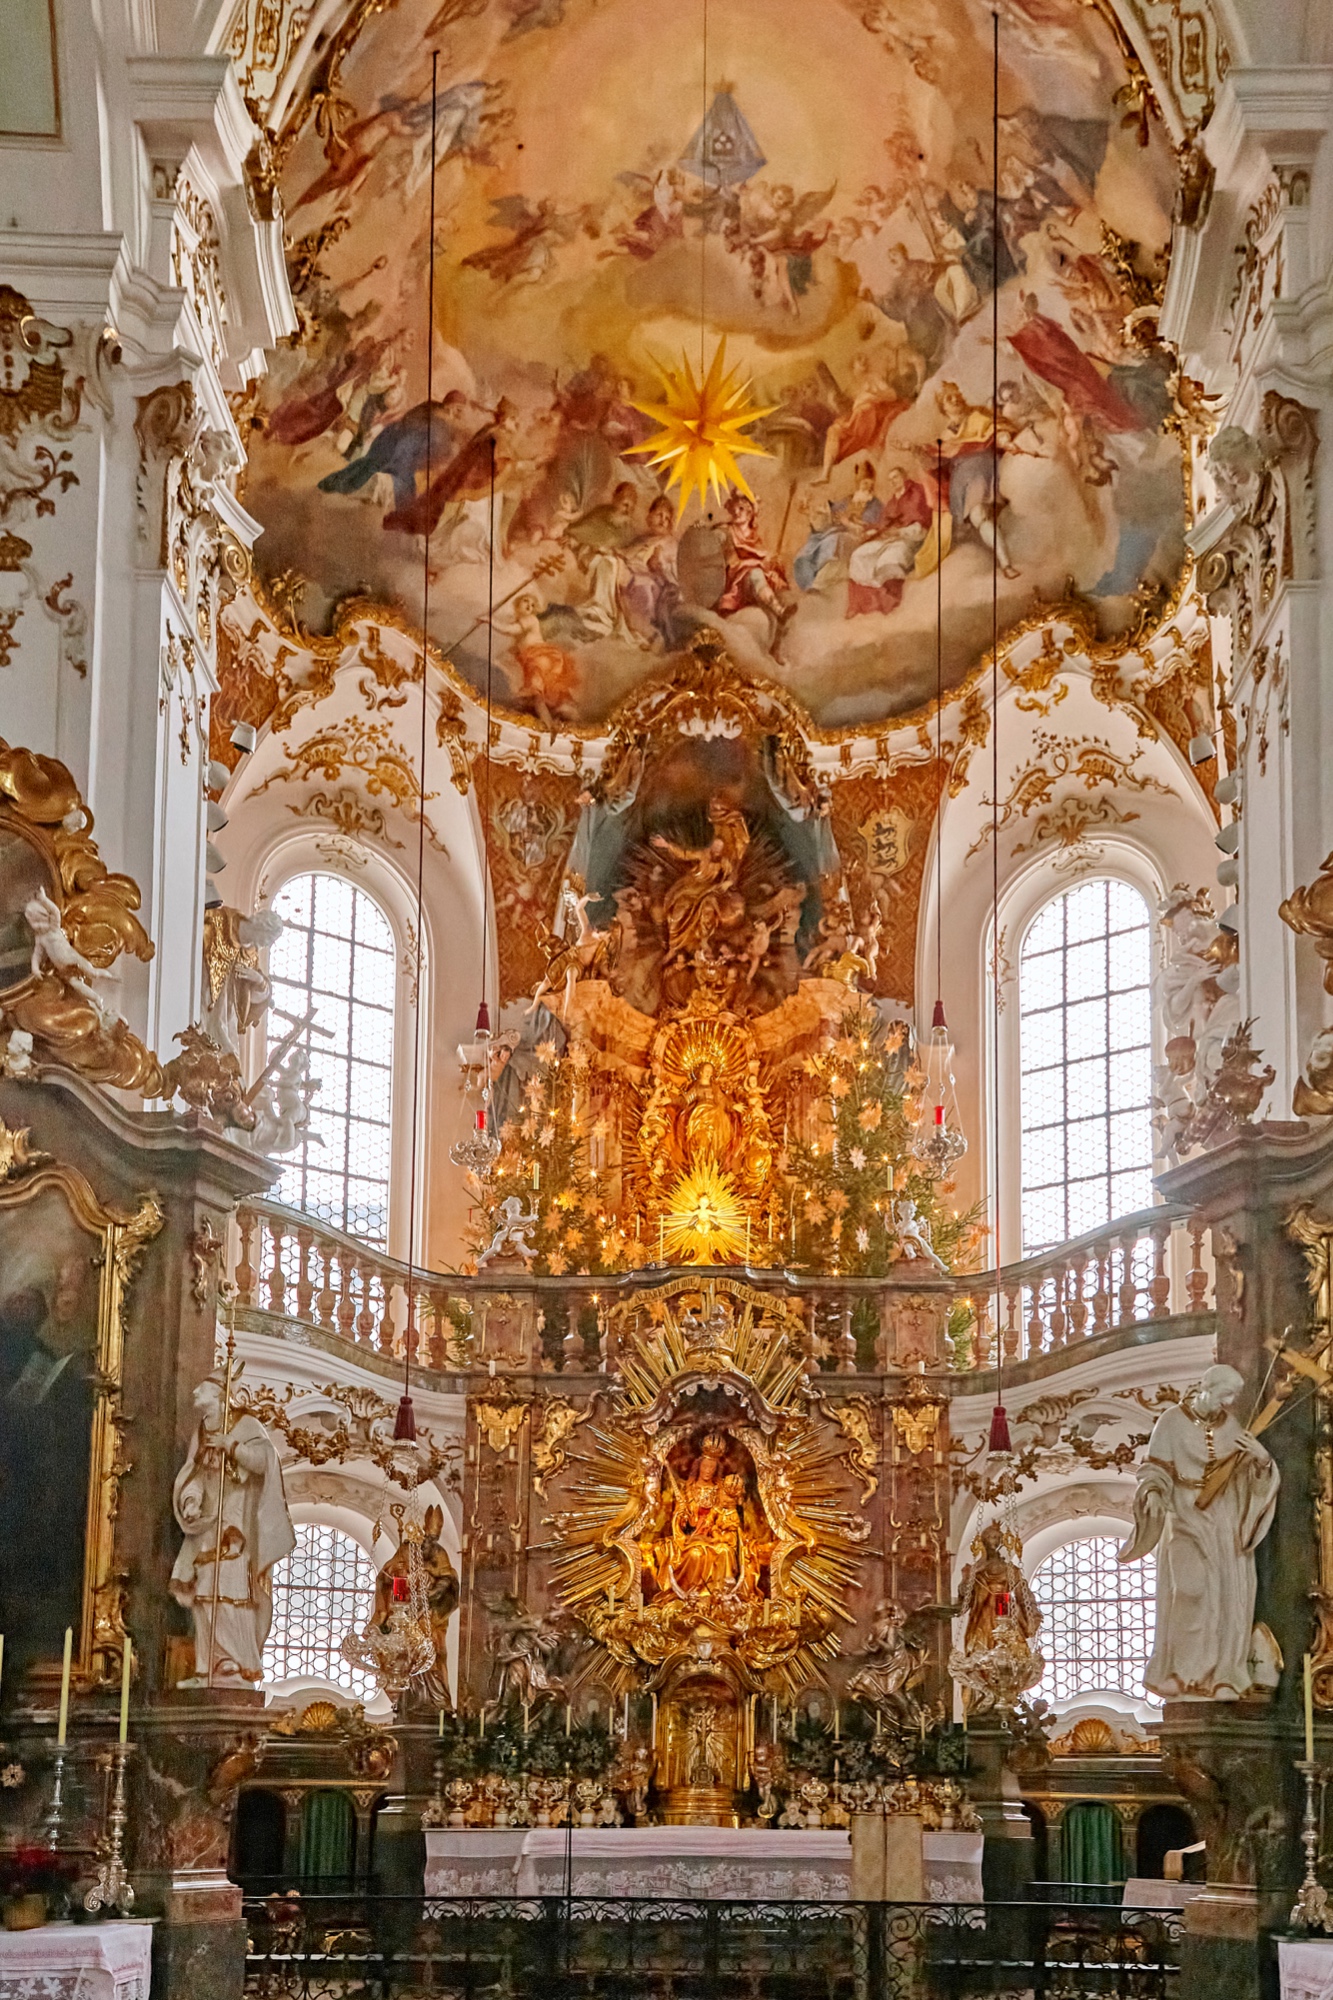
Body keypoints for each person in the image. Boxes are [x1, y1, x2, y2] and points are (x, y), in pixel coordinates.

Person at [1118, 1365, 1280, 1700]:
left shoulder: (1231, 1425)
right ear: (1205, 1386)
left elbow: (1247, 1477)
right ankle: (1181, 1672)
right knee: (1189, 1591)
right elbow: (1154, 1469)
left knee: (1227, 1593)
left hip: (1225, 1519)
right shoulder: (1171, 1422)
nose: (1230, 1402)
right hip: (1184, 1514)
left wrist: (1262, 1460)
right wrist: (1153, 1493)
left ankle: (1223, 1675)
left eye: (1234, 1395)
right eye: (1225, 1394)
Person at [170, 1375, 295, 1686]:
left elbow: (265, 1460)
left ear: (219, 1393)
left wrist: (233, 1446)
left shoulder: (246, 1424)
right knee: (202, 1594)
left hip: (237, 1524)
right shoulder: (202, 1430)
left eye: (202, 1388)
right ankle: (207, 1668)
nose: (195, 1391)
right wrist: (190, 1501)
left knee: (229, 1589)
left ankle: (237, 1664)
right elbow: (196, 1475)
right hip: (207, 1524)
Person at [845, 466, 932, 615]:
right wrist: (871, 532)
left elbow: (921, 527)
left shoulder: (916, 494)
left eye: (895, 477)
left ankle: (887, 603)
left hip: (908, 540)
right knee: (859, 555)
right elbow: (883, 525)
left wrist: (899, 532)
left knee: (888, 560)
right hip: (888, 539)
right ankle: (860, 604)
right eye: (890, 480)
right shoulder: (892, 502)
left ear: (904, 477)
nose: (893, 482)